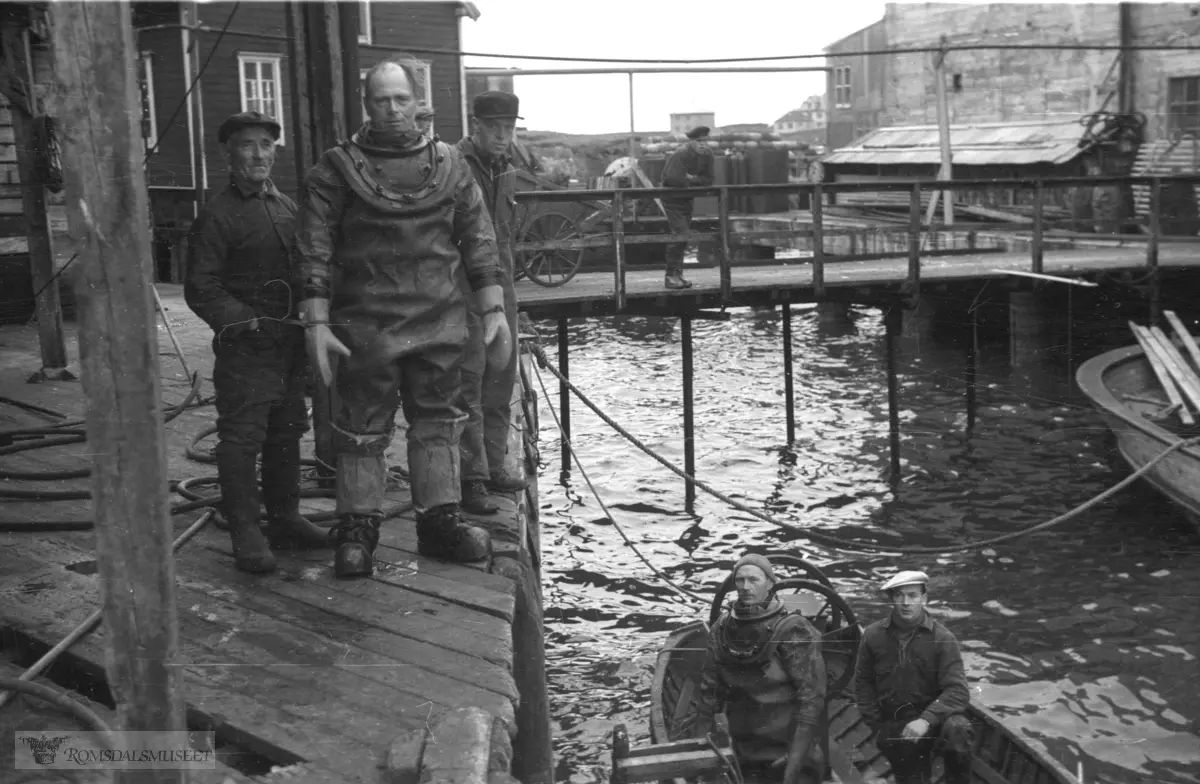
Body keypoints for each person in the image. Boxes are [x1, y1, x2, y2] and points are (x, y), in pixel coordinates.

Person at [293, 55, 512, 578]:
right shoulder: (336, 169)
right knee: (360, 429)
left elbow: (479, 240)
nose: (391, 109)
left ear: (418, 103)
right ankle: (357, 530)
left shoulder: (450, 167)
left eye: (400, 99)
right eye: (380, 100)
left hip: (440, 320)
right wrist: (316, 322)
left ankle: (439, 521)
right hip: (364, 326)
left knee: (438, 423)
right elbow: (314, 248)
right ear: (367, 105)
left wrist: (494, 309)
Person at [184, 110, 331, 574]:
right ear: (229, 154)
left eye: (266, 145)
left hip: (286, 348)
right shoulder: (217, 215)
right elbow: (200, 286)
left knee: (287, 432)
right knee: (241, 440)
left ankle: (284, 519)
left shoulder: (286, 208)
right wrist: (244, 322)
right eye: (247, 145)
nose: (258, 154)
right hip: (246, 351)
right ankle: (246, 532)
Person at [454, 91, 530, 516]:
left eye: (510, 128)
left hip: (503, 286)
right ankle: (473, 479)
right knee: (470, 383)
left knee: (501, 376)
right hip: (465, 288)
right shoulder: (454, 167)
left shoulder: (507, 170)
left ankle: (497, 464)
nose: (503, 136)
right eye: (495, 128)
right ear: (475, 125)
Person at [692, 554, 826, 784]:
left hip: (788, 752)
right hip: (743, 750)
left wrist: (792, 768)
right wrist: (697, 756)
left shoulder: (793, 630)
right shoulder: (722, 628)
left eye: (753, 580)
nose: (745, 587)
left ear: (770, 584)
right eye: (740, 580)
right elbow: (709, 696)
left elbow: (812, 701)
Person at [854, 571, 972, 784]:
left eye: (913, 595)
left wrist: (926, 720)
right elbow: (863, 684)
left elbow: (958, 691)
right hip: (898, 726)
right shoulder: (872, 635)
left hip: (936, 723)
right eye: (899, 596)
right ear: (892, 599)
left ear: (924, 599)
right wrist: (878, 726)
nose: (906, 602)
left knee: (959, 729)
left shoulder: (943, 639)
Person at [659, 125, 715, 290]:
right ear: (691, 142)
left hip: (687, 198)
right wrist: (695, 180)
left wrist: (691, 178)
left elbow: (709, 180)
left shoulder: (708, 155)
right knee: (680, 234)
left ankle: (678, 274)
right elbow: (673, 179)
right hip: (672, 198)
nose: (703, 144)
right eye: (699, 141)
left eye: (705, 141)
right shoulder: (681, 153)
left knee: (683, 236)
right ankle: (670, 276)